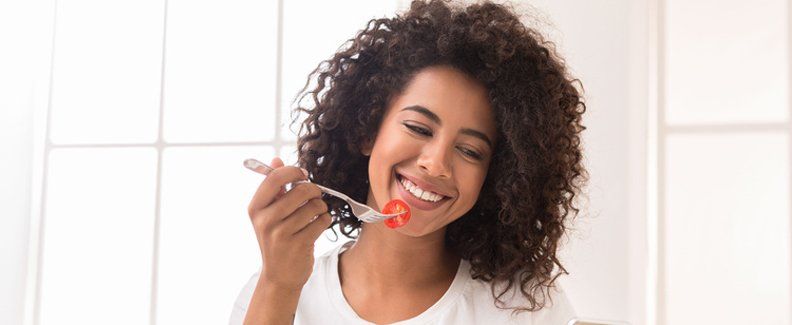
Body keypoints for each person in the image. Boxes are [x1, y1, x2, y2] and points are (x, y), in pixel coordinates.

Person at [230, 0, 587, 323]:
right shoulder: (276, 290)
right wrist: (279, 285)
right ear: (366, 131)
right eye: (418, 128)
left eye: (470, 151)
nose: (436, 164)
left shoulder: (525, 308)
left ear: (495, 176)